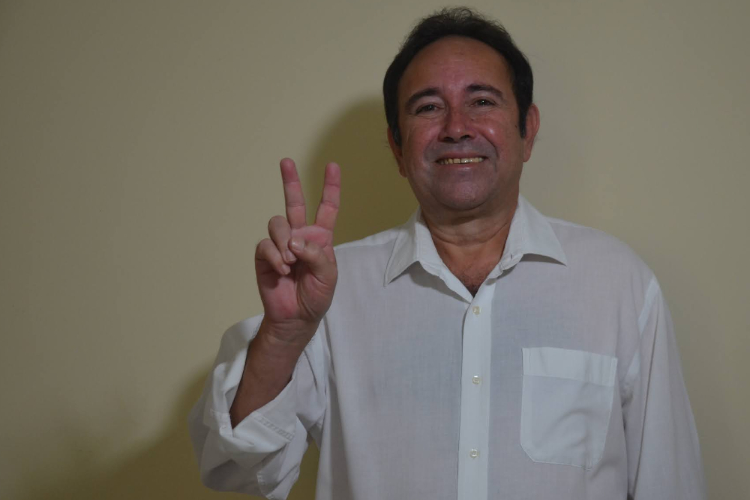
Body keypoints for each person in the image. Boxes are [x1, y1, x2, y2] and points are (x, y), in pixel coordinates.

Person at [189, 7, 706, 500]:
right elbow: (233, 467)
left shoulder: (617, 283)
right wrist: (282, 337)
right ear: (397, 147)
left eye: (482, 101)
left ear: (528, 130)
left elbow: (670, 484)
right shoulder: (328, 291)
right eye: (428, 107)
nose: (457, 127)